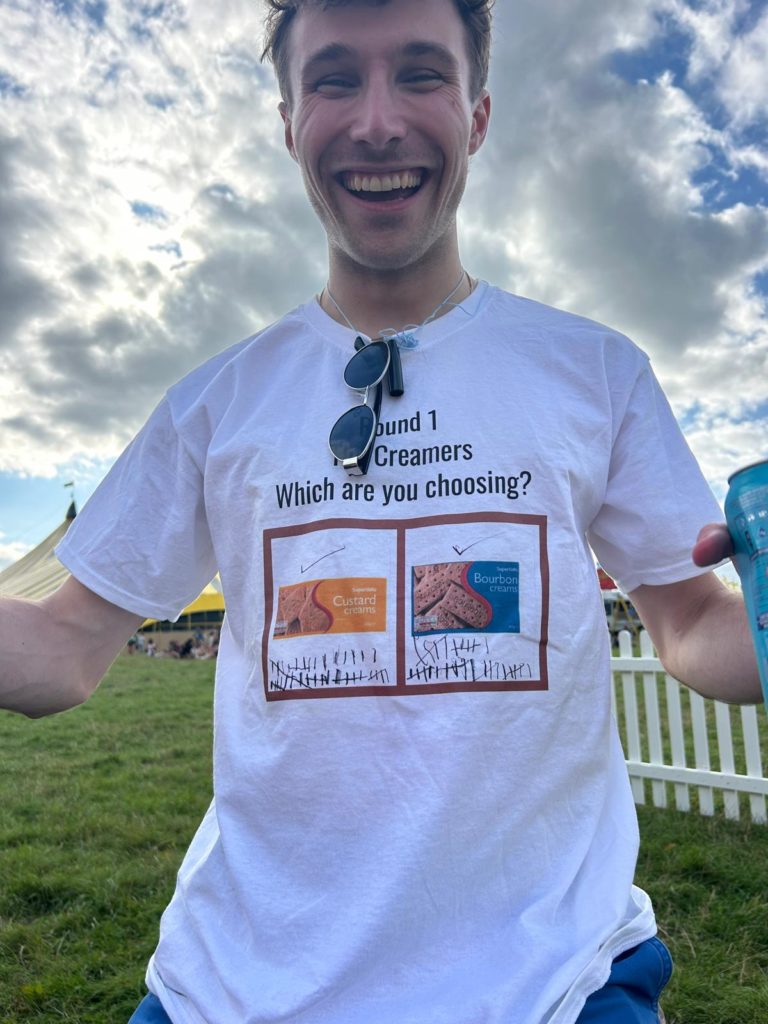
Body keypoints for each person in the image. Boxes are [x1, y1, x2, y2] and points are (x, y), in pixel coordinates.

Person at [0, 1, 760, 1022]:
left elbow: (696, 624)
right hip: (234, 991)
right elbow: (62, 649)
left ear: (478, 113)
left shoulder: (595, 373)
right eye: (333, 79)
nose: (376, 122)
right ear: (288, 122)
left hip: (556, 983)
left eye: (420, 73)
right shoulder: (215, 403)